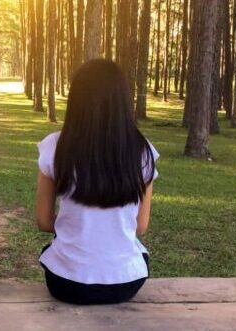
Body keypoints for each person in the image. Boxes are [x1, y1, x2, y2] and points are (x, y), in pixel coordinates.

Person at [35, 59, 159, 305]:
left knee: (51, 254)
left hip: (66, 283)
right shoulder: (143, 152)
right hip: (125, 283)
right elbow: (140, 227)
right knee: (140, 256)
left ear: (76, 101)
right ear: (123, 102)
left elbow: (43, 221)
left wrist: (76, 227)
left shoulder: (55, 146)